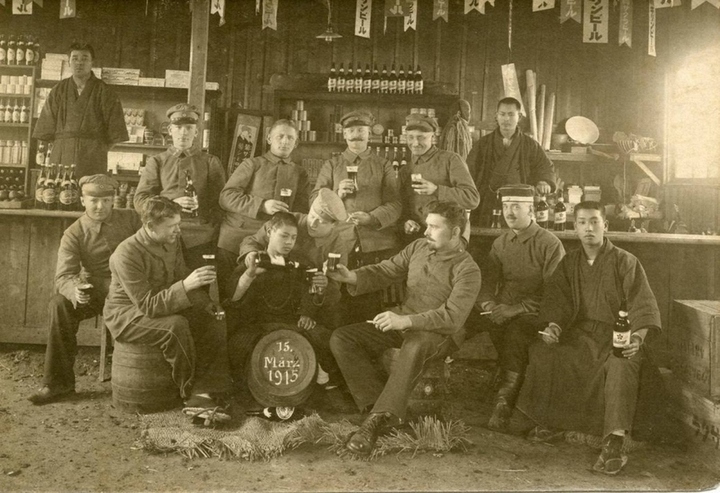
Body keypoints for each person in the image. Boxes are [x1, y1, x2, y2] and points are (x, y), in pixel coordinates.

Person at [516, 201, 661, 475]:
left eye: (595, 221)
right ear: (575, 227)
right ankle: (554, 422)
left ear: (606, 225)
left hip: (618, 335)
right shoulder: (569, 263)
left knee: (620, 364)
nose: (589, 228)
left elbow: (643, 306)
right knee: (545, 352)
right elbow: (557, 301)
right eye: (582, 222)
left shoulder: (626, 262)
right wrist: (554, 327)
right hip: (579, 334)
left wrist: (638, 338)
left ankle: (614, 440)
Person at [328, 201, 481, 456]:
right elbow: (387, 270)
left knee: (416, 343)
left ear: (455, 232)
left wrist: (406, 321)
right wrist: (351, 277)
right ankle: (376, 409)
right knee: (343, 338)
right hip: (405, 323)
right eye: (426, 225)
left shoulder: (468, 269)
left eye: (434, 227)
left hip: (439, 335)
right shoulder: (419, 247)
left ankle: (375, 422)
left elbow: (452, 317)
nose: (426, 232)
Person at [104, 196, 233, 424]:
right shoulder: (126, 254)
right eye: (172, 226)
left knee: (214, 317)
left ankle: (208, 389)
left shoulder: (171, 240)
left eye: (178, 224)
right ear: (150, 226)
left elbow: (180, 275)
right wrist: (186, 285)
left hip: (161, 305)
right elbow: (148, 305)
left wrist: (207, 304)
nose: (178, 230)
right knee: (175, 326)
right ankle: (191, 394)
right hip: (127, 315)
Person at [28, 175, 141, 405]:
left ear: (113, 200)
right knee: (59, 304)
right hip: (97, 291)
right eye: (93, 201)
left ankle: (147, 381)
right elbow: (63, 275)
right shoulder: (74, 232)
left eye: (106, 201)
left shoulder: (131, 219)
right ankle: (57, 384)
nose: (100, 206)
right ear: (82, 200)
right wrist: (75, 291)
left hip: (132, 289)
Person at [471, 184, 565, 431]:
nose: (509, 212)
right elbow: (486, 281)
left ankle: (504, 403)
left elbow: (554, 293)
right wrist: (490, 305)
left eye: (516, 206)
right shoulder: (501, 243)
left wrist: (516, 309)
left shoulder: (549, 244)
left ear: (531, 210)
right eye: (505, 206)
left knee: (515, 334)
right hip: (501, 309)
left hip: (535, 313)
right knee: (465, 319)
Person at [224, 212, 340, 397]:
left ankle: (317, 383)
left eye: (293, 238)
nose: (289, 242)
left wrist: (308, 311)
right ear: (270, 232)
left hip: (294, 322)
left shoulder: (301, 263)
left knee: (325, 339)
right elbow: (234, 298)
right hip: (258, 324)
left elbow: (309, 293)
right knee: (239, 346)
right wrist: (249, 275)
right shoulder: (254, 260)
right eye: (284, 236)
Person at [311, 110, 401, 322]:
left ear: (370, 134)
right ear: (344, 135)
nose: (356, 135)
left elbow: (396, 204)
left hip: (376, 244)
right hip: (340, 241)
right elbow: (314, 200)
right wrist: (336, 195)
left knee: (374, 303)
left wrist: (372, 218)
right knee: (338, 303)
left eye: (361, 130)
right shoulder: (332, 165)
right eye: (351, 131)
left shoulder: (384, 165)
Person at [217, 119, 311, 292]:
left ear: (296, 143)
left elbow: (302, 209)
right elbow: (226, 197)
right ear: (269, 139)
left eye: (290, 138)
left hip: (270, 242)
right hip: (236, 237)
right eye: (280, 136)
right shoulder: (252, 164)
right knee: (231, 292)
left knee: (263, 293)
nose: (285, 141)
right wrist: (262, 205)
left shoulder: (300, 172)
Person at [133, 103, 226, 269]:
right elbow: (140, 200)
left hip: (201, 234)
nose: (183, 133)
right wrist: (171, 202)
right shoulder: (157, 162)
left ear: (196, 132)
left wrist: (207, 218)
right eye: (178, 128)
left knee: (200, 277)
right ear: (170, 130)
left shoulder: (210, 162)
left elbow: (221, 202)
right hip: (163, 232)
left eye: (189, 128)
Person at [33, 42, 128, 178]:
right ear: (69, 62)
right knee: (61, 187)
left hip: (93, 156)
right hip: (62, 154)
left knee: (91, 189)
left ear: (92, 62)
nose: (79, 63)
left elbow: (116, 132)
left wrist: (98, 149)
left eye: (84, 58)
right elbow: (45, 129)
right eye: (75, 58)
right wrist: (64, 143)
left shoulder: (105, 91)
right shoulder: (58, 90)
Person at [473, 97, 556, 226]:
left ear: (519, 117)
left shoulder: (530, 144)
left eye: (511, 114)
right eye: (502, 114)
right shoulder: (483, 143)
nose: (506, 119)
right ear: (496, 116)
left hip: (520, 199)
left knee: (519, 230)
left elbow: (544, 166)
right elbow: (469, 170)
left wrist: (544, 181)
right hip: (488, 199)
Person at [398, 114, 479, 244]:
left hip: (448, 238)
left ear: (433, 137)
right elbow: (403, 206)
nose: (415, 143)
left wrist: (437, 190)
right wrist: (406, 221)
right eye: (411, 137)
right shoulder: (405, 170)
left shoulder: (450, 160)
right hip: (418, 238)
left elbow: (472, 199)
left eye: (421, 137)